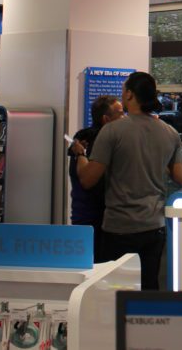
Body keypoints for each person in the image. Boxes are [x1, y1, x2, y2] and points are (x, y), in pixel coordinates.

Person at [74, 72, 182, 289]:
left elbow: (88, 179)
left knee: (116, 293)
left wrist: (80, 154)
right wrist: (157, 159)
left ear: (129, 95)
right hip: (154, 228)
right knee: (148, 289)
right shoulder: (170, 132)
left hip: (120, 228)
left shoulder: (112, 130)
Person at [68, 95, 124, 262]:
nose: (125, 118)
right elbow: (89, 182)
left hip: (85, 216)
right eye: (120, 113)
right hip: (94, 217)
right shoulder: (98, 142)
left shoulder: (81, 140)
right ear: (106, 119)